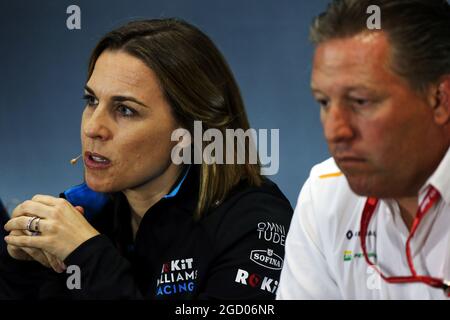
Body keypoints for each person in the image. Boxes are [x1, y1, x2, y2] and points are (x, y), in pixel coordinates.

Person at [0, 18, 292, 299]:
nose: (93, 128)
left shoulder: (254, 222)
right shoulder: (86, 211)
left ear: (189, 129)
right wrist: (20, 268)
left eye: (125, 110)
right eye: (91, 101)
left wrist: (88, 254)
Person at [277, 0, 450, 299]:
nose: (335, 131)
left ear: (440, 100)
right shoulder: (325, 194)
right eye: (324, 102)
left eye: (360, 101)